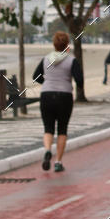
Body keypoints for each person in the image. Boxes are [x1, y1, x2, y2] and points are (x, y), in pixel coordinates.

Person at [33, 31, 83, 173]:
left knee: (48, 128)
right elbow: (79, 79)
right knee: (62, 129)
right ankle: (58, 162)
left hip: (46, 95)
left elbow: (35, 76)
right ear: (67, 44)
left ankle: (48, 150)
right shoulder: (71, 60)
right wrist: (77, 85)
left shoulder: (46, 59)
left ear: (54, 44)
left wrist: (47, 81)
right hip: (64, 96)